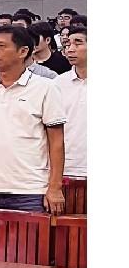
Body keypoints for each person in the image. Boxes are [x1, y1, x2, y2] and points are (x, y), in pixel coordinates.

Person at [0, 26, 66, 213]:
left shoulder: (46, 87)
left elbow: (57, 141)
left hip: (30, 190)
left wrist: (55, 187)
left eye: (1, 46)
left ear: (23, 51)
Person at [55, 25, 86, 178]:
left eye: (78, 43)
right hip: (67, 168)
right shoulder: (57, 83)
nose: (70, 49)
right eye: (67, 45)